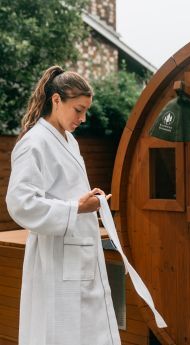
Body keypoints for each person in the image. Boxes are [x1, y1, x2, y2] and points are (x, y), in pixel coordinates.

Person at [6, 66, 120, 345]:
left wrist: (91, 202)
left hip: (78, 253)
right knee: (60, 331)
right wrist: (75, 208)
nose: (83, 118)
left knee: (87, 331)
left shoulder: (69, 141)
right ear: (56, 100)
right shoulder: (34, 143)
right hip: (56, 257)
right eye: (78, 110)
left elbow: (66, 191)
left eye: (85, 111)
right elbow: (20, 203)